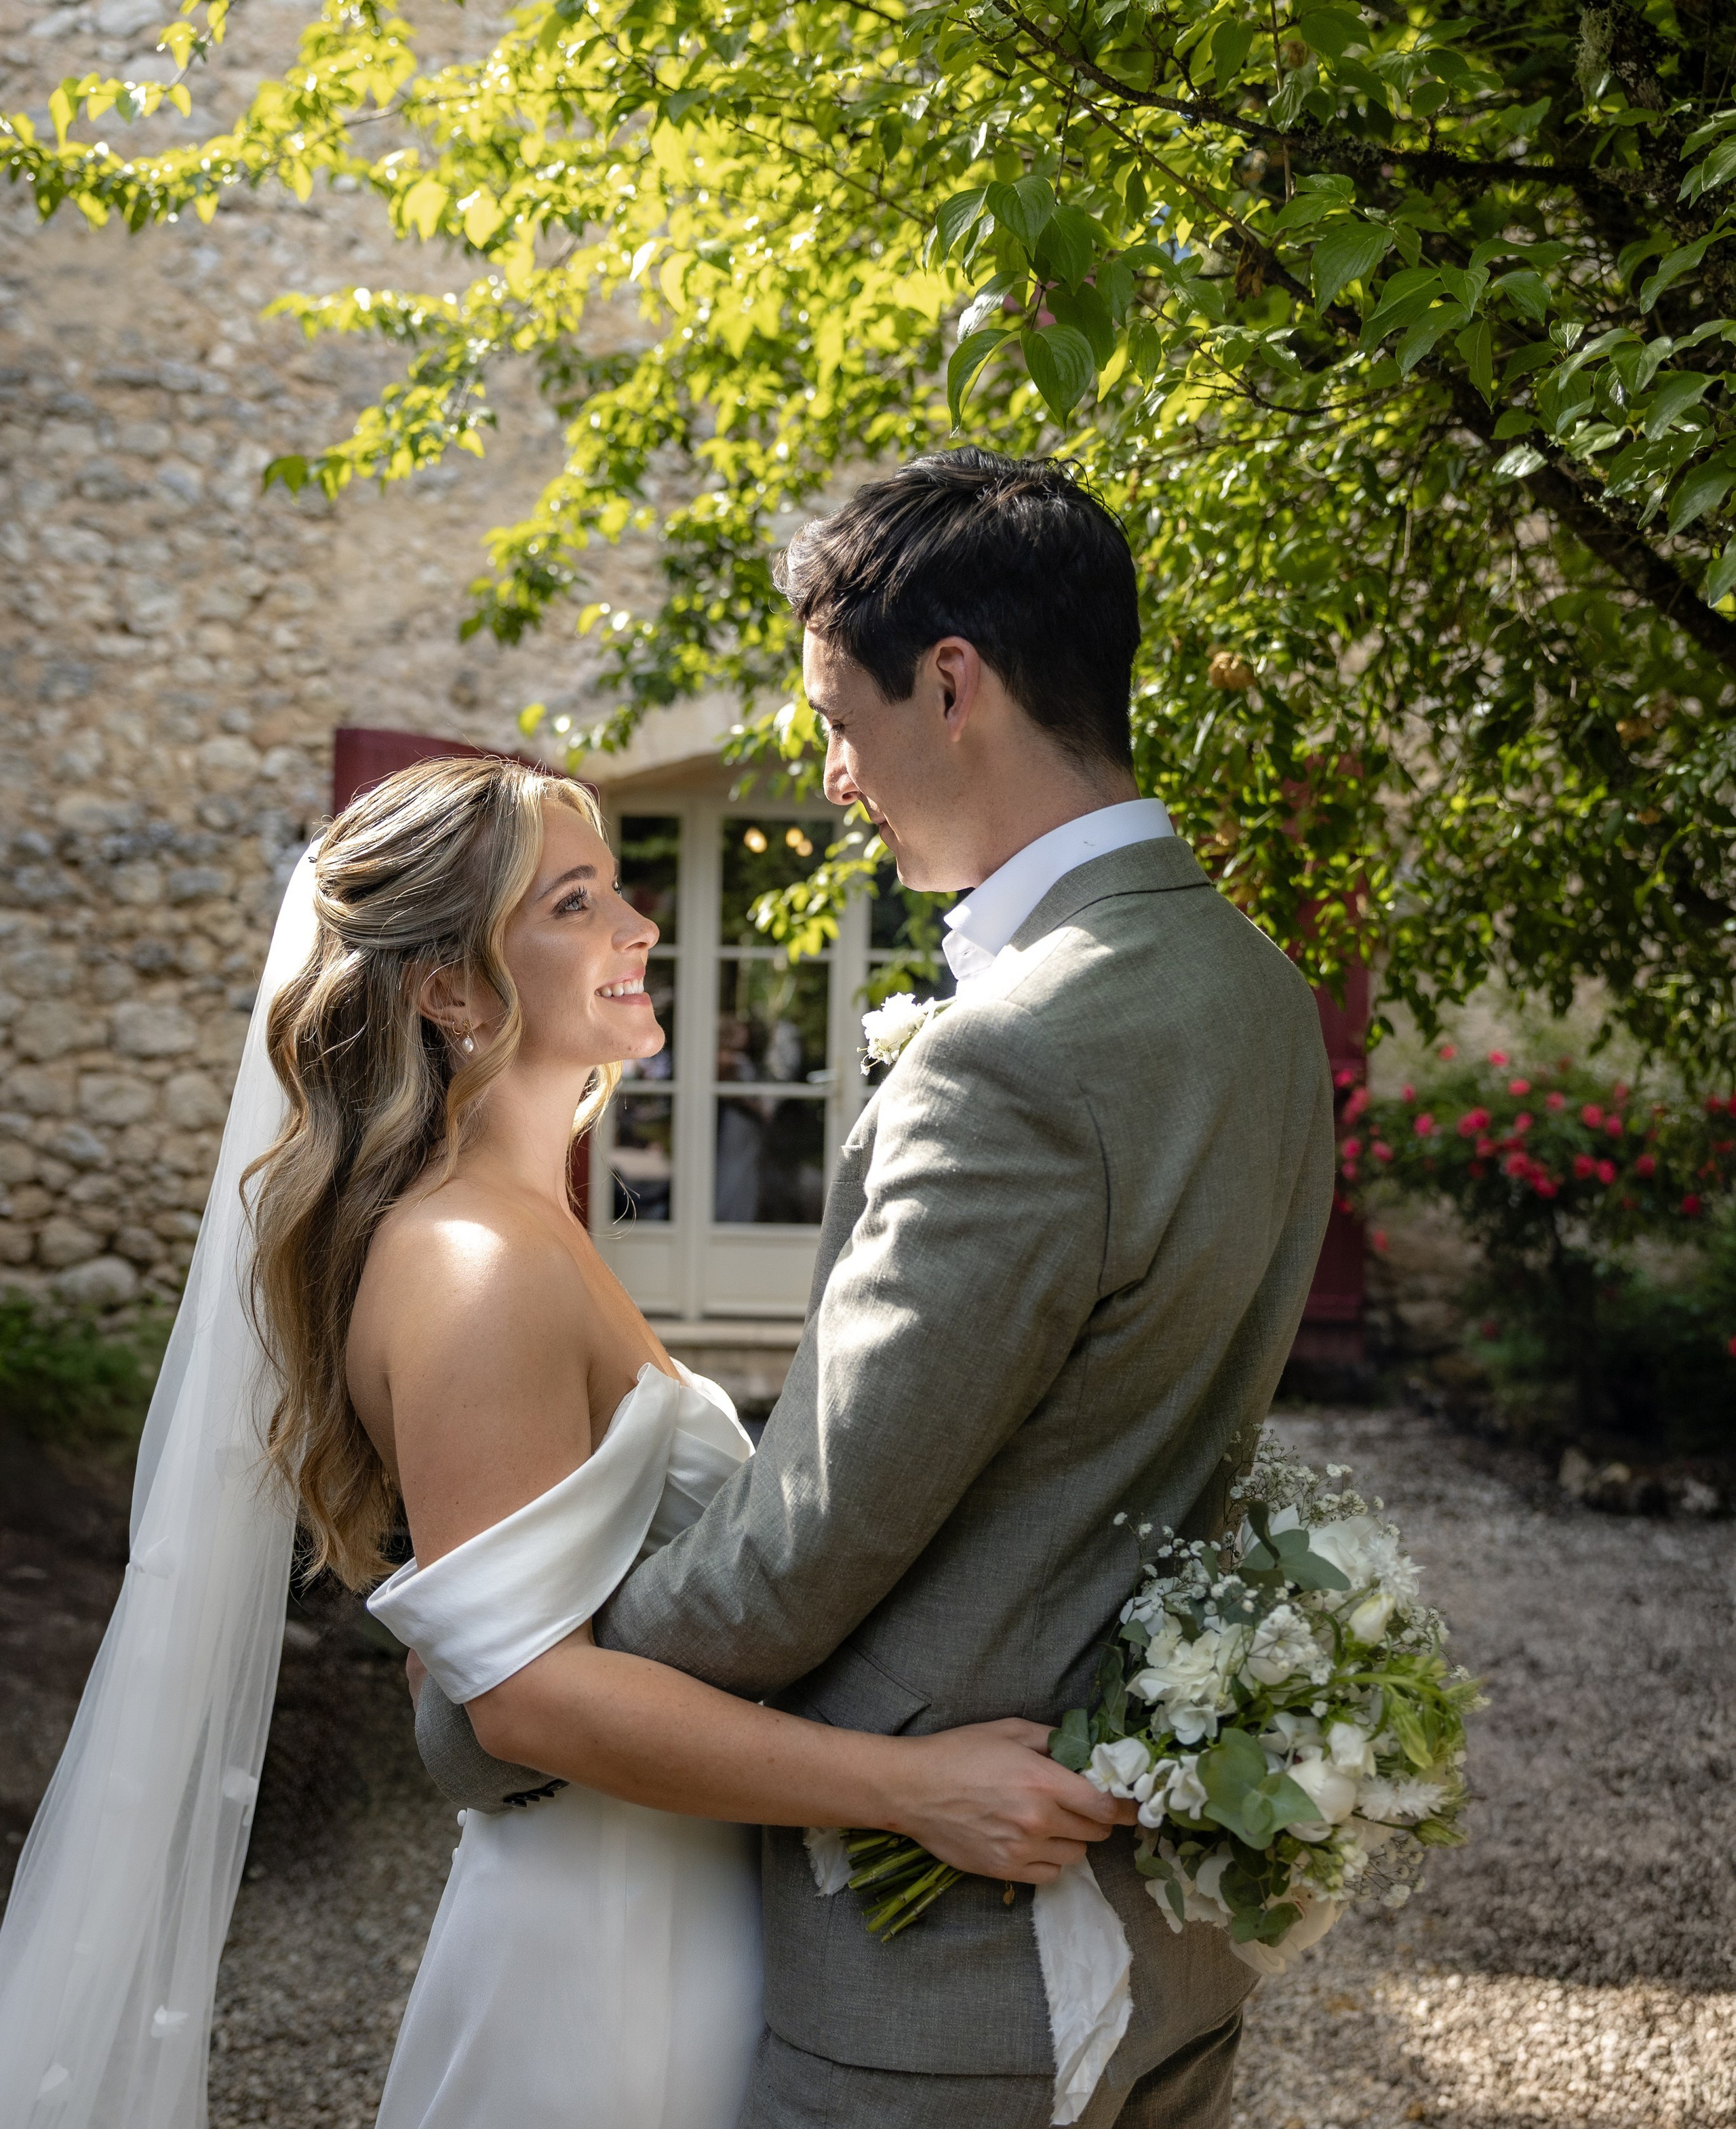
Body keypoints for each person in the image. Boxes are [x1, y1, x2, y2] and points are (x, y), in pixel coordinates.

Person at [418, 447, 1336, 2128]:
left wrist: (511, 1702)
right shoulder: (1257, 992)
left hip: (952, 1980)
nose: (833, 775)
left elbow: (804, 1553)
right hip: (1167, 1923)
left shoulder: (1017, 1053)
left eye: (839, 717)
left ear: (953, 682)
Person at [0, 754, 1121, 2129]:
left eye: (615, 893)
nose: (636, 926)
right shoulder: (477, 1263)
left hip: (659, 1895)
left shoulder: (526, 1234)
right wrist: (912, 1791)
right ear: (454, 989)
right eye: (575, 903)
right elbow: (524, 1696)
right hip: (601, 1957)